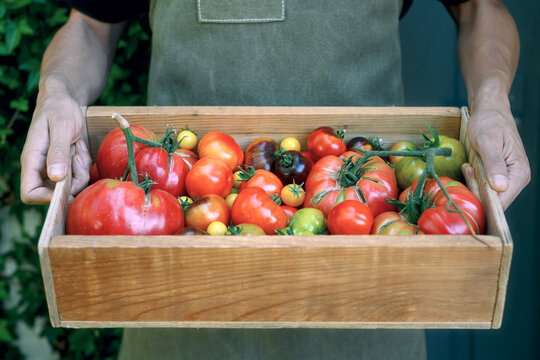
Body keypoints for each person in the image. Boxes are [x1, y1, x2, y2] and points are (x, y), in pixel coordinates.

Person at [20, 0, 530, 359]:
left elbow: (481, 7)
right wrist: (57, 92)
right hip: (178, 284)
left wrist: (492, 102)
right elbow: (89, 25)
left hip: (369, 297)